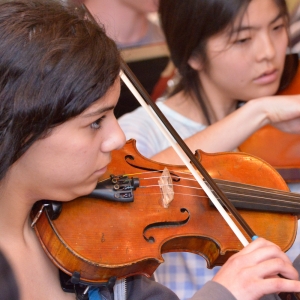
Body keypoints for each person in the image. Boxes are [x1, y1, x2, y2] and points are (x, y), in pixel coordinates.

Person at [2, 0, 300, 300]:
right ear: (20, 126)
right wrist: (223, 293)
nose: (118, 138)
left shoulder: (86, 244)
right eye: (95, 123)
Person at [118, 0, 300, 298]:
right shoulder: (138, 132)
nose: (269, 52)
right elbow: (131, 184)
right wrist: (258, 112)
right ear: (193, 55)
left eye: (278, 27)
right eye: (243, 39)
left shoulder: (285, 126)